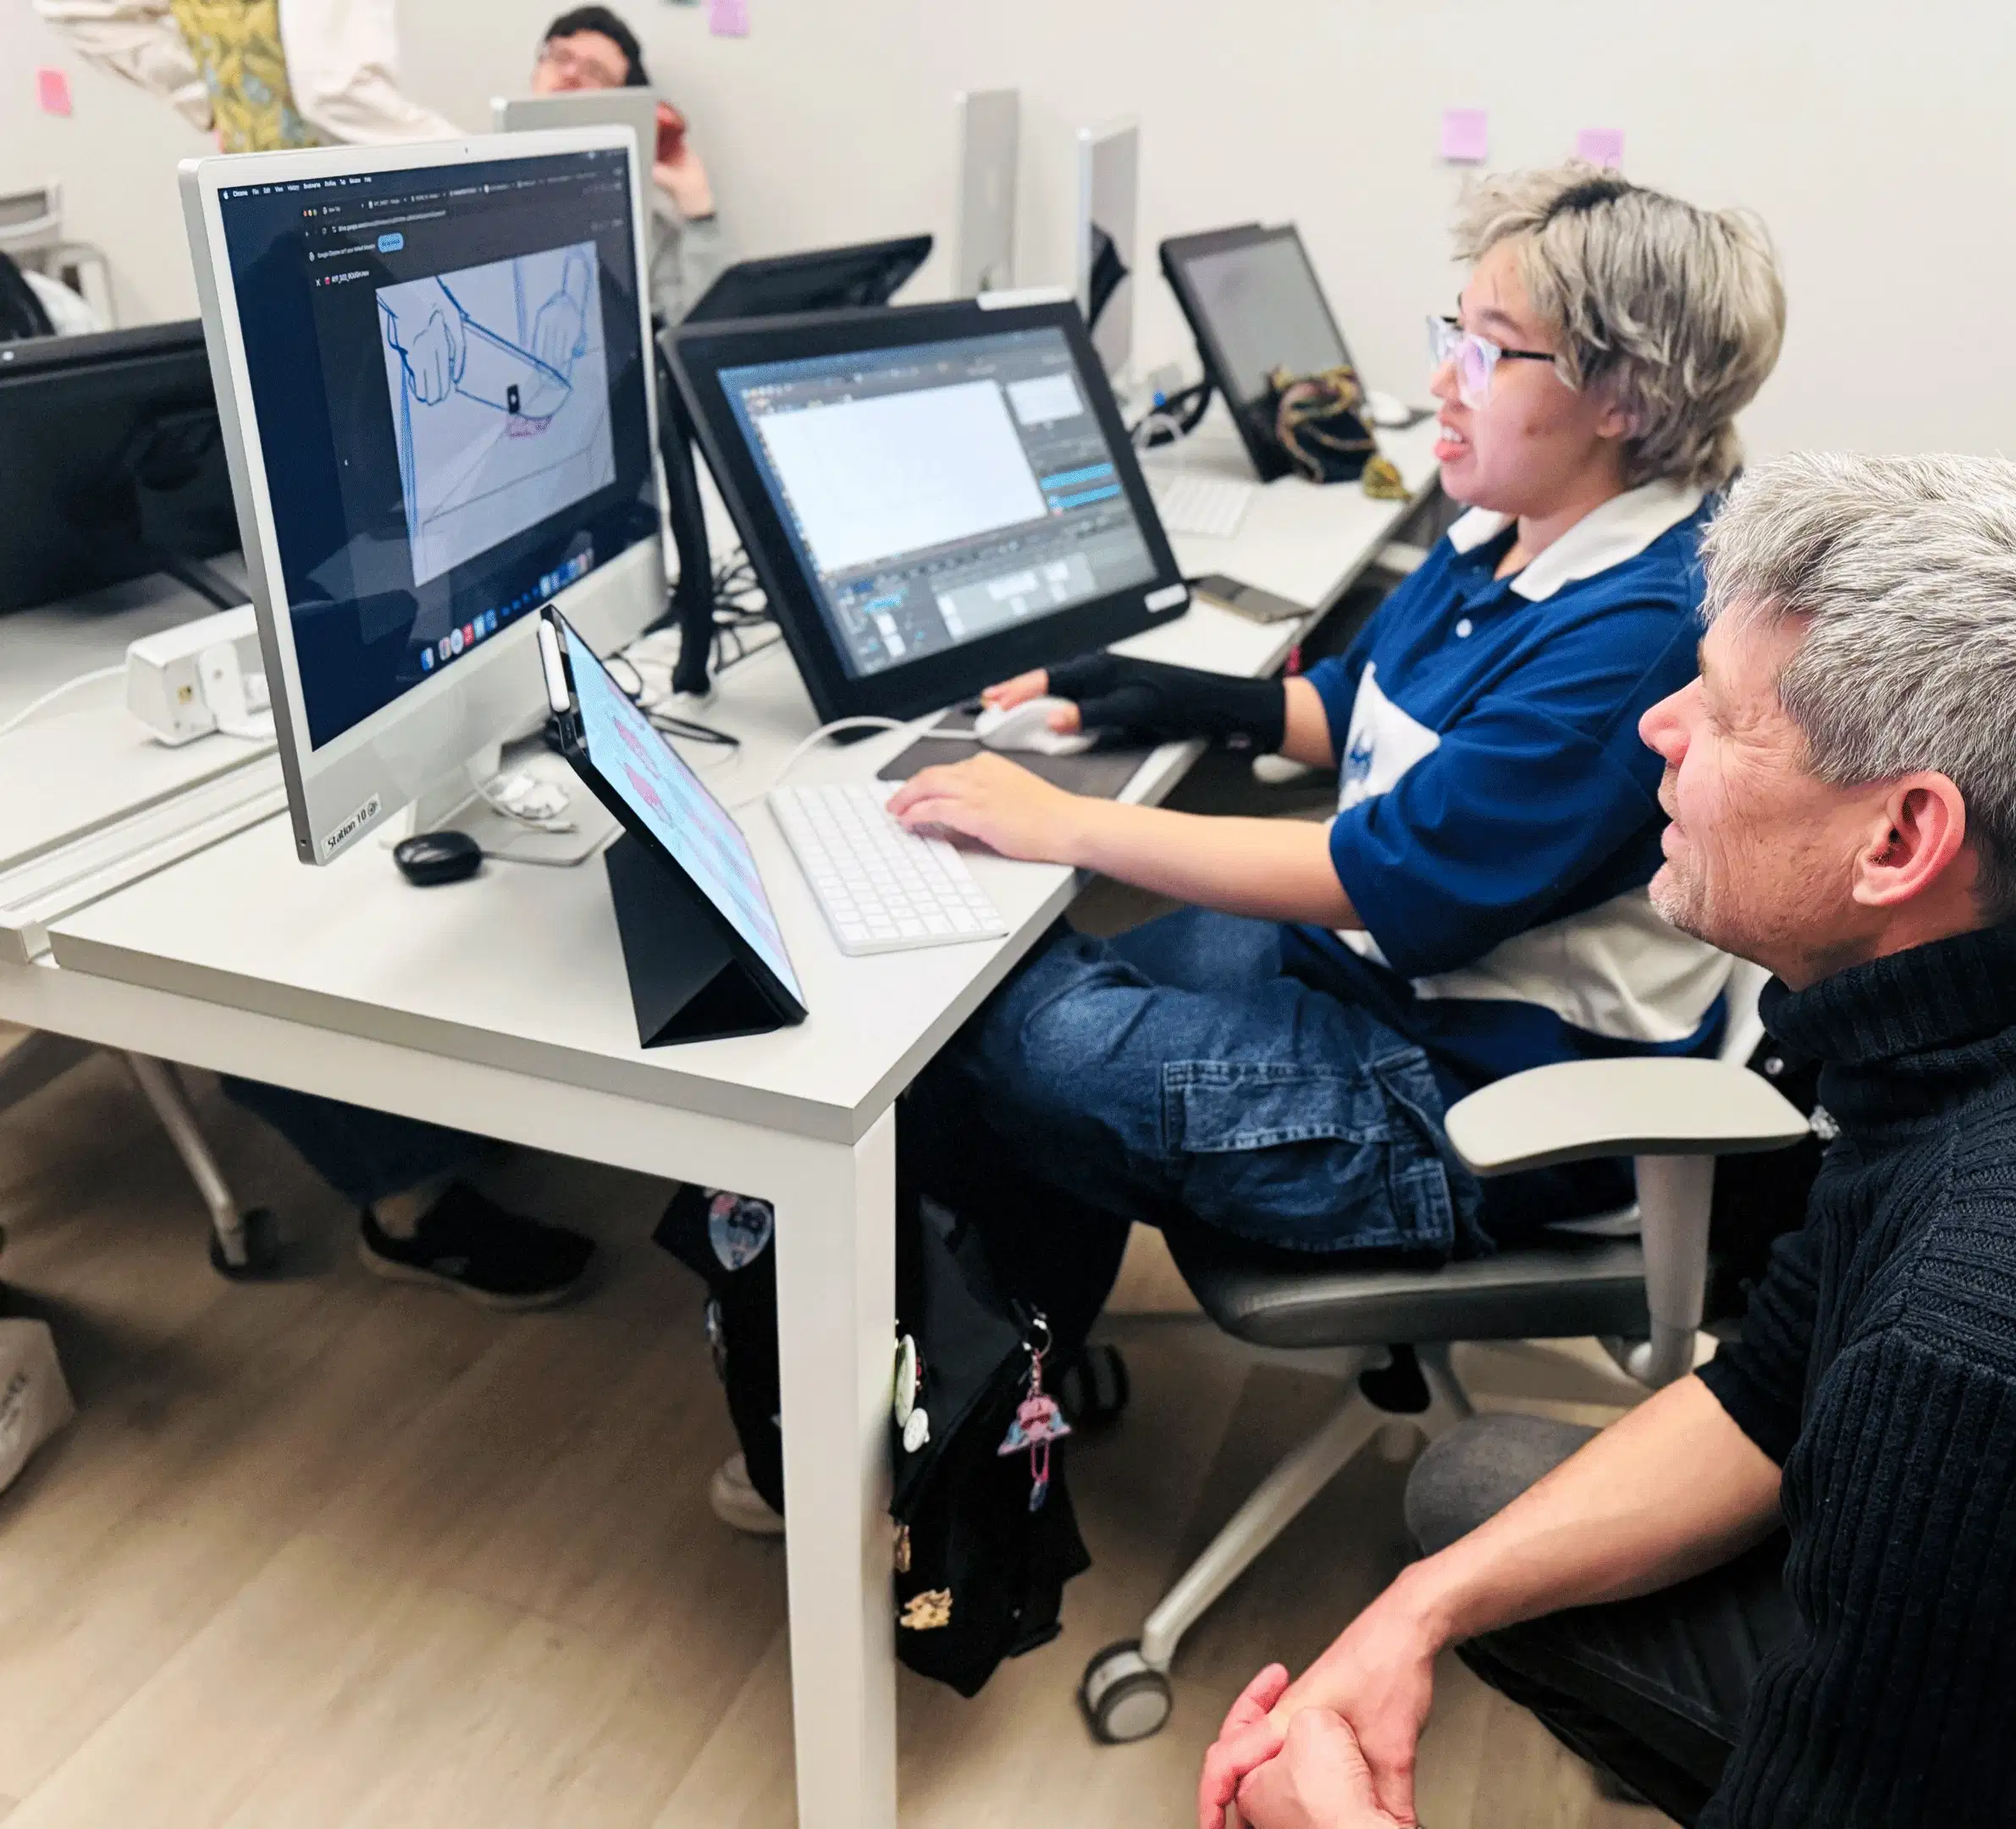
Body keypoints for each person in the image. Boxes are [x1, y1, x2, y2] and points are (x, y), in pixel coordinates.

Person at [1197, 452, 2016, 1829]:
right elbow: (1776, 1391)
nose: (1656, 728)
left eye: (1721, 714)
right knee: (1477, 1502)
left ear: (1904, 837)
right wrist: (1413, 1617)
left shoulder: (1997, 1365)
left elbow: (1952, 1394)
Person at [672, 163, 1786, 1533]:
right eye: (1455, 331)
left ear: (1625, 398)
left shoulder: (1634, 633)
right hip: (1373, 986)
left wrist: (1071, 819)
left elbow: (1391, 878)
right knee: (995, 992)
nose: (1443, 378)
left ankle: (952, 1413)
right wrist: (1167, 691)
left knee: (1025, 1035)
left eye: (1491, 354)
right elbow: (1354, 710)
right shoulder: (1513, 524)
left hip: (1472, 1101)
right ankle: (997, 1370)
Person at [35, 0, 458, 151]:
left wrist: (212, 96)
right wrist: (488, 165)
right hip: (348, 195)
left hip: (246, 193)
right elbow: (334, 91)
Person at [529, 5, 722, 323]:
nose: (570, 74)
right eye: (561, 57)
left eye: (595, 71)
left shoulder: (644, 224)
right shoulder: (469, 176)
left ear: (622, 102)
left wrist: (698, 209)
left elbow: (699, 330)